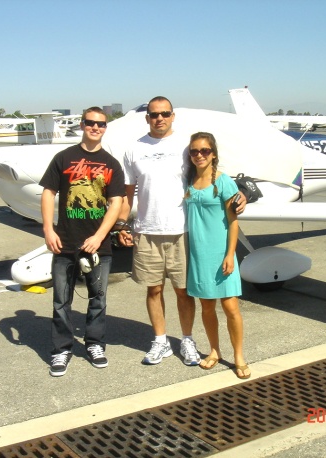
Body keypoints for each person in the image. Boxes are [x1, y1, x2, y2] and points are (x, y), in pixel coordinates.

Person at [116, 96, 246, 366]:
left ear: (172, 116)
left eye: (164, 113)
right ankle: (161, 341)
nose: (159, 118)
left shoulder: (187, 146)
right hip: (147, 231)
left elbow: (211, 172)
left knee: (183, 292)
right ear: (147, 118)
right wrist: (122, 224)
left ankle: (187, 339)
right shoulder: (133, 149)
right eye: (154, 114)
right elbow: (128, 194)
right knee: (153, 290)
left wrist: (241, 194)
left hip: (182, 231)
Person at [39, 107, 125, 377]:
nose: (95, 127)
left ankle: (95, 344)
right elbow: (48, 192)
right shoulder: (64, 158)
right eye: (90, 123)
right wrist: (48, 229)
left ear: (105, 127)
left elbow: (116, 203)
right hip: (65, 242)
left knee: (98, 299)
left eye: (100, 124)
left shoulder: (111, 164)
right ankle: (62, 349)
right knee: (60, 301)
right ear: (82, 125)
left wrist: (100, 236)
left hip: (99, 245)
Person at [184, 132, 250, 379]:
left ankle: (239, 356)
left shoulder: (223, 182)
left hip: (221, 252)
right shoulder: (188, 181)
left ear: (213, 154)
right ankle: (214, 351)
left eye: (204, 151)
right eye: (194, 151)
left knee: (231, 307)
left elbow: (233, 222)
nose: (199, 155)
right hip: (198, 255)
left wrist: (230, 254)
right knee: (207, 307)